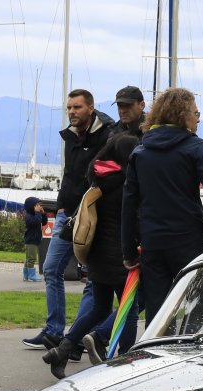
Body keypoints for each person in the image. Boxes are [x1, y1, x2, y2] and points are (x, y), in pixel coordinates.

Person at [121, 87, 203, 327]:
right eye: (196, 114)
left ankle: (158, 348)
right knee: (200, 304)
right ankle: (191, 346)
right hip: (189, 239)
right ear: (182, 115)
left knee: (158, 311)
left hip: (153, 242)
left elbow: (129, 204)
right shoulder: (197, 148)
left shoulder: (140, 151)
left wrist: (128, 250)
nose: (198, 119)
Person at [25, 89, 117, 349]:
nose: (72, 112)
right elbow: (69, 174)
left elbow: (103, 176)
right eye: (69, 108)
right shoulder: (70, 135)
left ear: (90, 108)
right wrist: (61, 205)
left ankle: (78, 337)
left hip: (92, 216)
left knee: (93, 280)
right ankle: (54, 331)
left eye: (77, 107)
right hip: (67, 213)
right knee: (51, 268)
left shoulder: (108, 134)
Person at [44, 131, 141, 376]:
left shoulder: (98, 180)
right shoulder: (127, 184)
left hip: (97, 255)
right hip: (121, 256)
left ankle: (62, 350)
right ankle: (125, 361)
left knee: (99, 307)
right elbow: (133, 221)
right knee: (129, 309)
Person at [21, 195, 44, 283]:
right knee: (31, 258)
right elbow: (36, 222)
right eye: (37, 205)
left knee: (29, 258)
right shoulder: (29, 216)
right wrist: (38, 213)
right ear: (32, 206)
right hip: (31, 240)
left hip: (34, 240)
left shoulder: (36, 215)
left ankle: (26, 275)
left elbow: (43, 222)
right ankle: (31, 276)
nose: (39, 206)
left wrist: (43, 214)